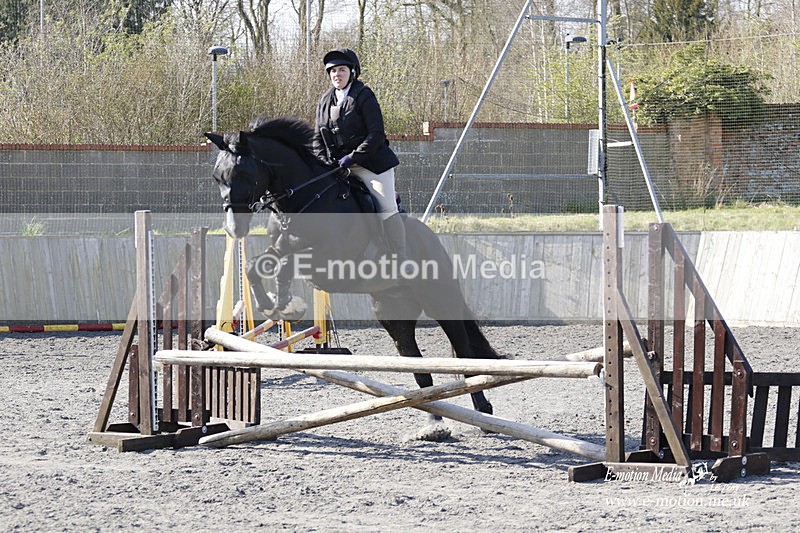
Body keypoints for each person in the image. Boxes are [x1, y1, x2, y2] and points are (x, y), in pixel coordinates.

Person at [312, 48, 409, 268]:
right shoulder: (324, 101)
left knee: (386, 207)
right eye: (333, 71)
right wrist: (323, 161)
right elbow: (317, 136)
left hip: (371, 165)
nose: (337, 74)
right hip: (337, 166)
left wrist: (352, 157)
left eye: (342, 70)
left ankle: (401, 259)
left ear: (352, 72)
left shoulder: (364, 95)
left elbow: (376, 134)